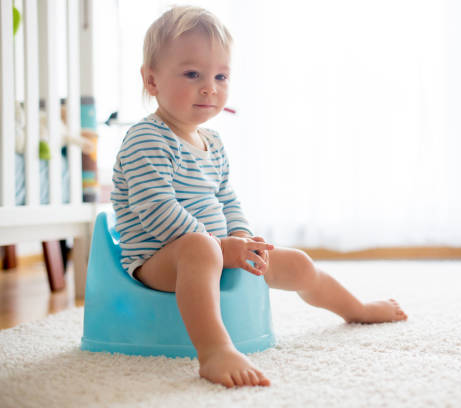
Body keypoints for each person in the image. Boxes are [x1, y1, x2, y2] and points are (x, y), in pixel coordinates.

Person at [111, 5, 407, 389]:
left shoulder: (213, 143)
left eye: (221, 76)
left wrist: (243, 239)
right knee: (200, 248)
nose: (210, 87)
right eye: (192, 74)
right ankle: (214, 351)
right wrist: (220, 246)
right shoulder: (146, 138)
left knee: (297, 263)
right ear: (151, 81)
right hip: (158, 260)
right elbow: (156, 211)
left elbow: (227, 200)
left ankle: (356, 308)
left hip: (219, 250)